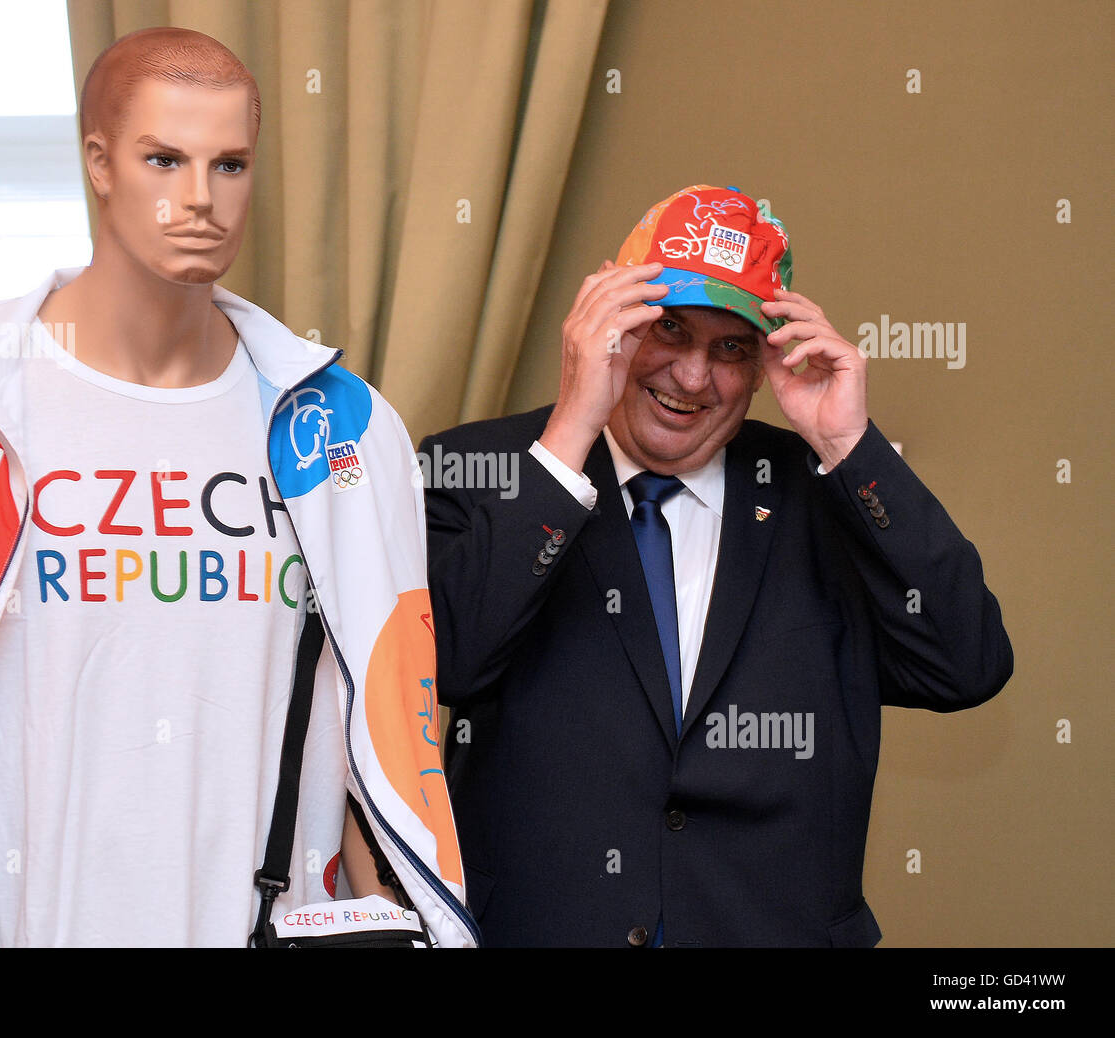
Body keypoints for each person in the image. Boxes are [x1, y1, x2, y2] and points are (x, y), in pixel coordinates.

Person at [0, 27, 476, 948]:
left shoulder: (340, 431)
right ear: (99, 161)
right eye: (164, 159)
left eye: (232, 164)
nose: (200, 200)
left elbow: (383, 740)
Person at [420, 184, 1012, 947]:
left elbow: (966, 665)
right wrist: (571, 432)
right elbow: (447, 664)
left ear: (765, 365)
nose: (693, 378)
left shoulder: (825, 491)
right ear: (607, 319)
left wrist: (850, 445)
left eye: (730, 347)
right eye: (668, 329)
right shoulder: (469, 468)